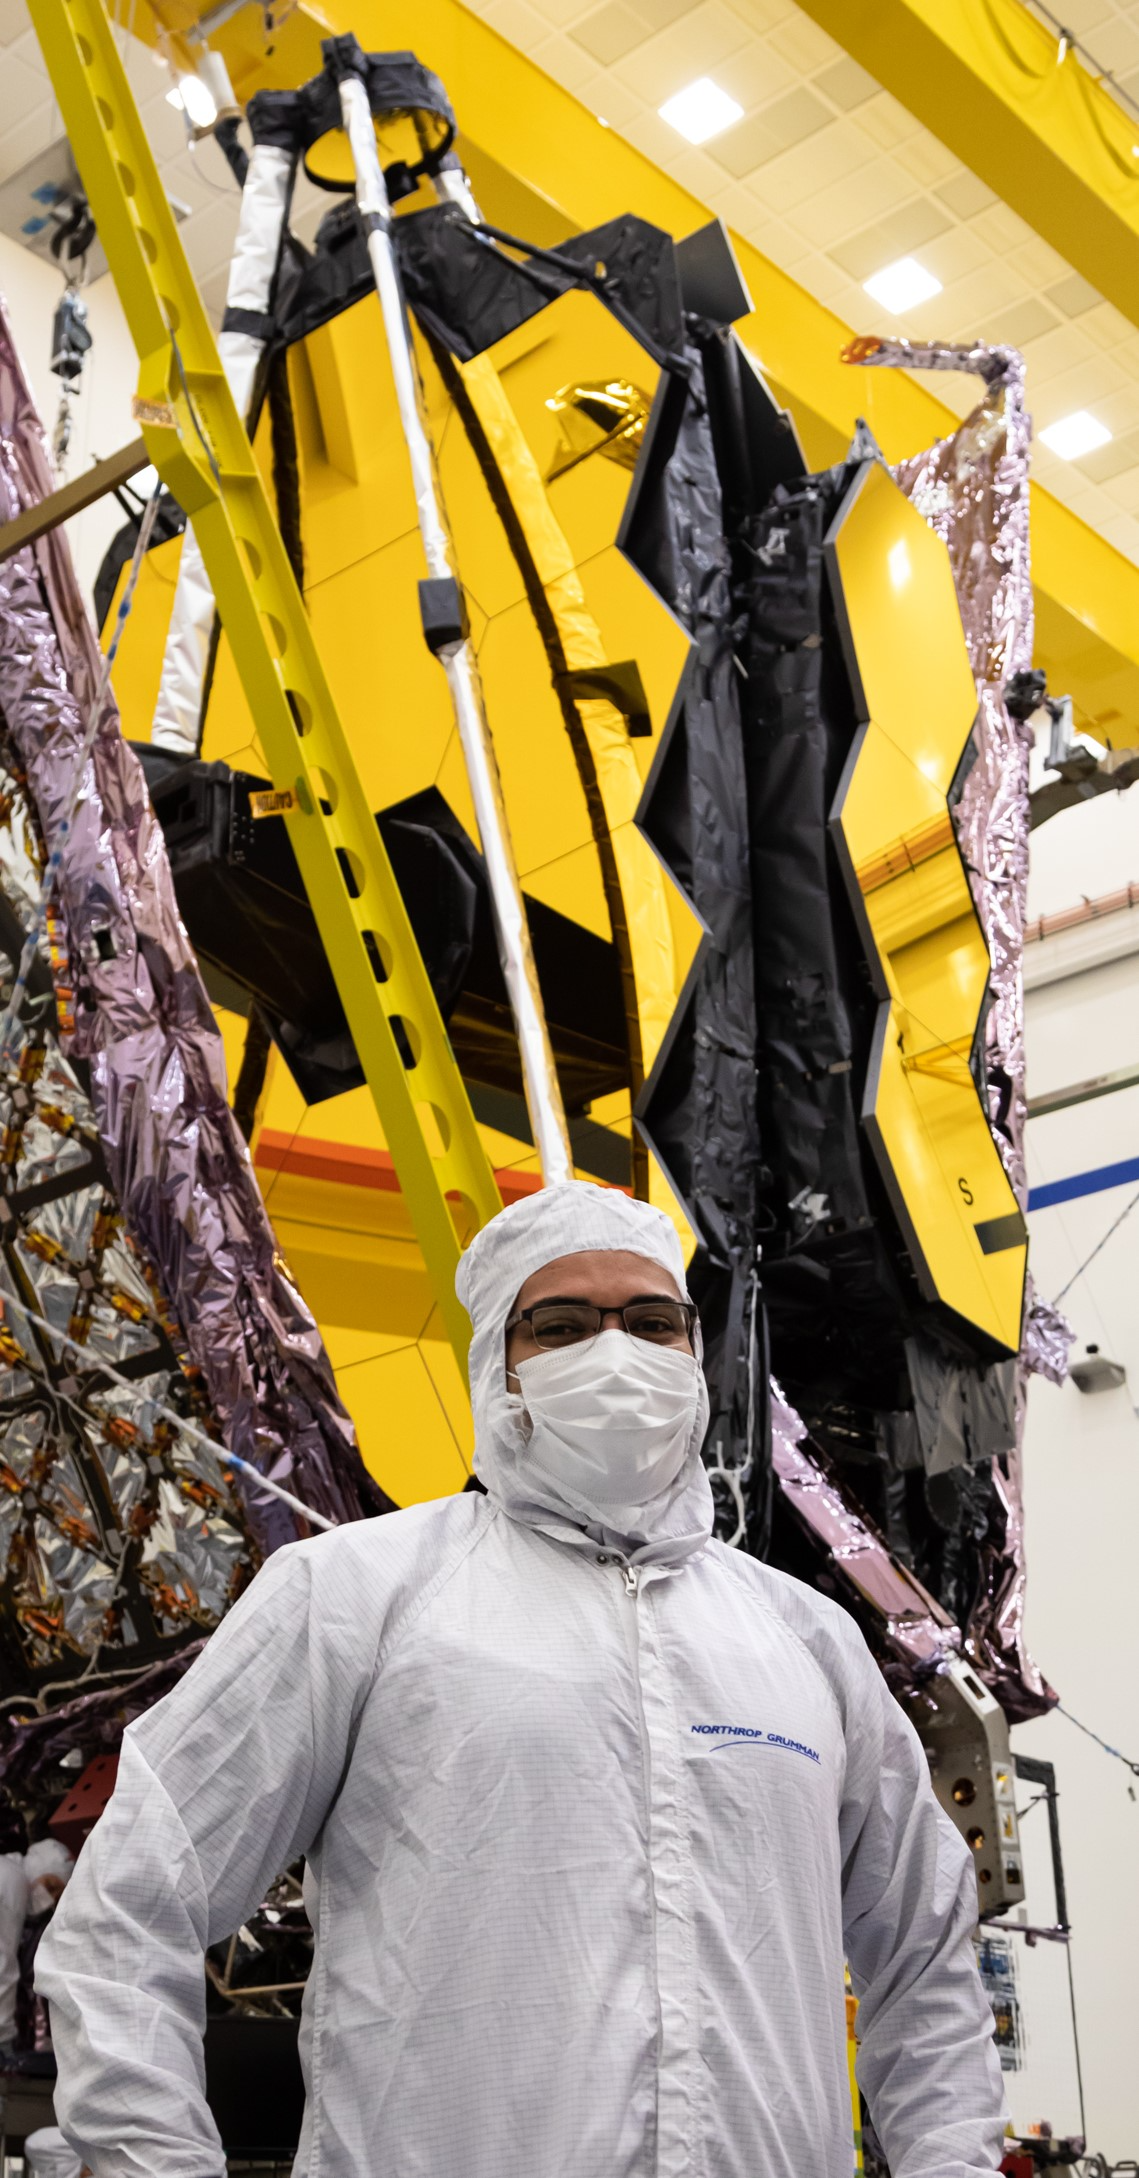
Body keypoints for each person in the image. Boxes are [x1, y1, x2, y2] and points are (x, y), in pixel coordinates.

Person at [39, 1180, 1005, 2177]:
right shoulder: (355, 1596)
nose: (616, 1353)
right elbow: (128, 1905)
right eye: (561, 1325)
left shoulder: (804, 1642)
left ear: (692, 1355)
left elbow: (925, 1959)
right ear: (496, 1367)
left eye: (649, 1322)